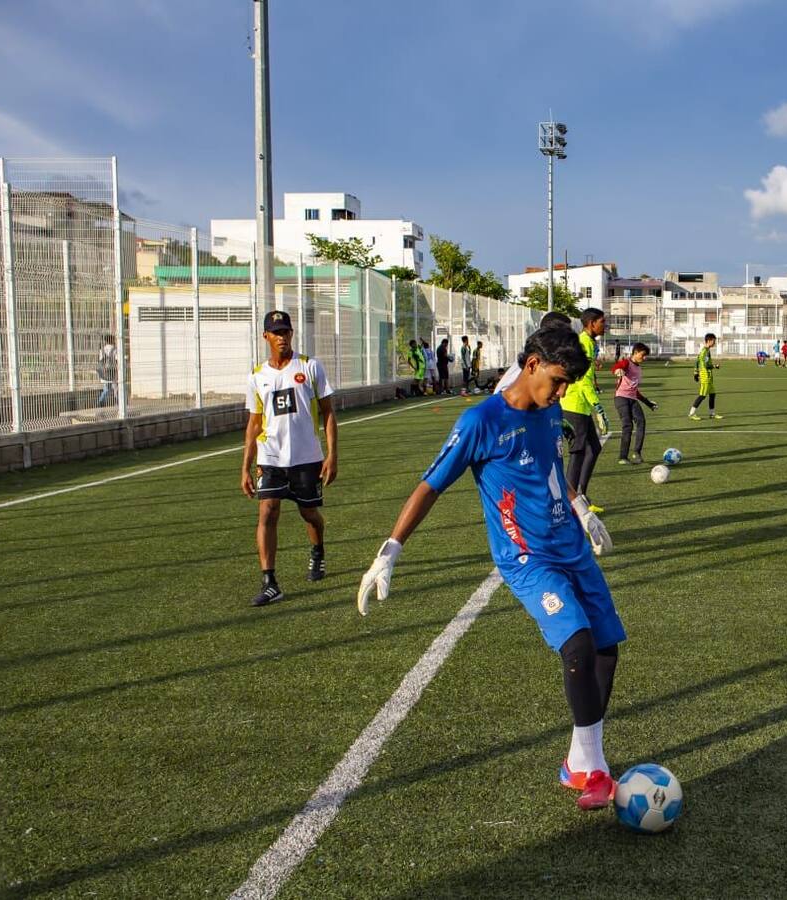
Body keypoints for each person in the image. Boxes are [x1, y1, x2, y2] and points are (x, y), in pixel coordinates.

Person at [356, 326, 622, 811]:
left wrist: (582, 510)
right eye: (559, 382)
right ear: (532, 365)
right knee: (578, 643)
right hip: (528, 558)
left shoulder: (549, 410)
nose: (562, 394)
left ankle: (578, 763)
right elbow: (431, 484)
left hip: (571, 546)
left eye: (567, 386)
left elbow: (551, 470)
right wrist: (391, 548)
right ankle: (595, 770)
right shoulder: (482, 420)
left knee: (606, 651)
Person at [241, 310, 338, 607]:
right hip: (270, 457)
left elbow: (328, 412)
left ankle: (318, 551)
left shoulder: (309, 367)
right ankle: (270, 582)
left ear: (292, 334)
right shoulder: (257, 376)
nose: (282, 338)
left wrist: (332, 455)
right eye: (276, 333)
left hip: (307, 457)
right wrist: (245, 465)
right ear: (266, 337)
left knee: (309, 514)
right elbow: (255, 422)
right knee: (267, 512)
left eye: (286, 332)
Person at [561, 309, 610, 510]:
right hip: (574, 404)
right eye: (602, 322)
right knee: (578, 451)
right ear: (591, 323)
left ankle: (580, 496)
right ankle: (570, 504)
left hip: (580, 404)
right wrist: (599, 409)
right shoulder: (583, 344)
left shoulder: (589, 342)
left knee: (594, 447)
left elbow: (588, 376)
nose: (604, 325)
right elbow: (583, 382)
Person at [613, 342, 657, 465]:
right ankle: (623, 457)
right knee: (627, 425)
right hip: (621, 398)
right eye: (643, 355)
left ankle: (636, 453)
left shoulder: (638, 368)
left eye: (645, 356)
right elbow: (617, 367)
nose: (644, 358)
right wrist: (617, 370)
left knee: (641, 422)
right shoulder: (627, 362)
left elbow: (635, 391)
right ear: (636, 352)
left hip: (632, 399)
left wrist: (648, 403)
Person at [688, 332, 722, 421]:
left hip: (709, 376)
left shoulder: (706, 350)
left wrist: (695, 372)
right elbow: (704, 364)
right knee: (702, 395)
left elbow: (697, 361)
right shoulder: (704, 351)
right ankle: (691, 413)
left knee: (712, 394)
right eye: (714, 341)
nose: (714, 343)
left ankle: (712, 413)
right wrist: (714, 366)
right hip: (705, 376)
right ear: (709, 341)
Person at [96, 334, 117, 408]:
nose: (115, 340)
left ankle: (100, 401)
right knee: (115, 387)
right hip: (112, 370)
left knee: (107, 388)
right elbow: (117, 359)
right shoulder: (114, 349)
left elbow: (100, 360)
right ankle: (117, 403)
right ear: (111, 340)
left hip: (104, 371)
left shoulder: (102, 349)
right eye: (114, 339)